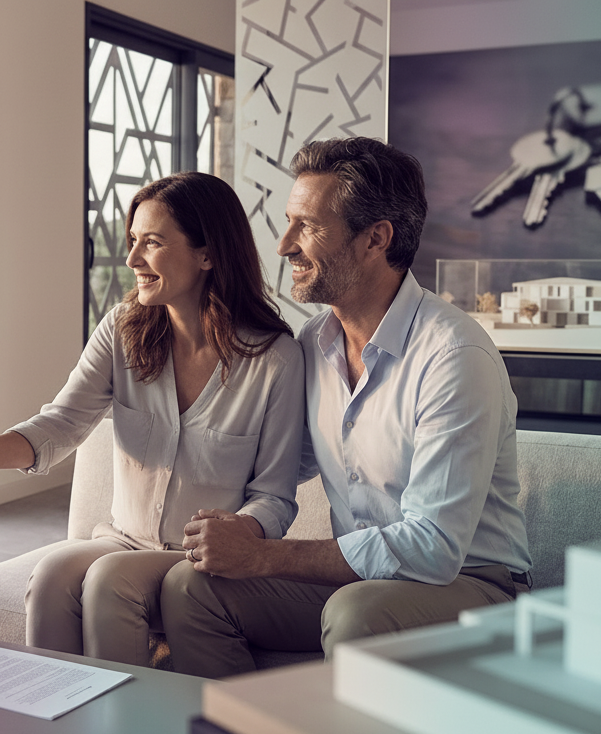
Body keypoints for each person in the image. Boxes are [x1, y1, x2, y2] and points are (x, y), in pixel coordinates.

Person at [161, 137, 533, 678]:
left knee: (356, 612)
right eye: (288, 222)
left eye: (306, 226)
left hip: (471, 585)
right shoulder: (312, 345)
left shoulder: (455, 356)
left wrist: (264, 557)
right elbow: (277, 467)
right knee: (190, 588)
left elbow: (433, 549)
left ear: (375, 239)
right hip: (361, 583)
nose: (284, 244)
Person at [0, 172, 305, 667]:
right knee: (51, 575)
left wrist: (242, 533)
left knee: (110, 580)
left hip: (196, 561)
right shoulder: (123, 329)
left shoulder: (274, 359)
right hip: (121, 538)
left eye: (152, 242)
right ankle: (56, 728)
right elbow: (61, 423)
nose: (132, 260)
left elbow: (274, 497)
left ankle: (124, 732)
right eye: (133, 242)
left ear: (207, 254)